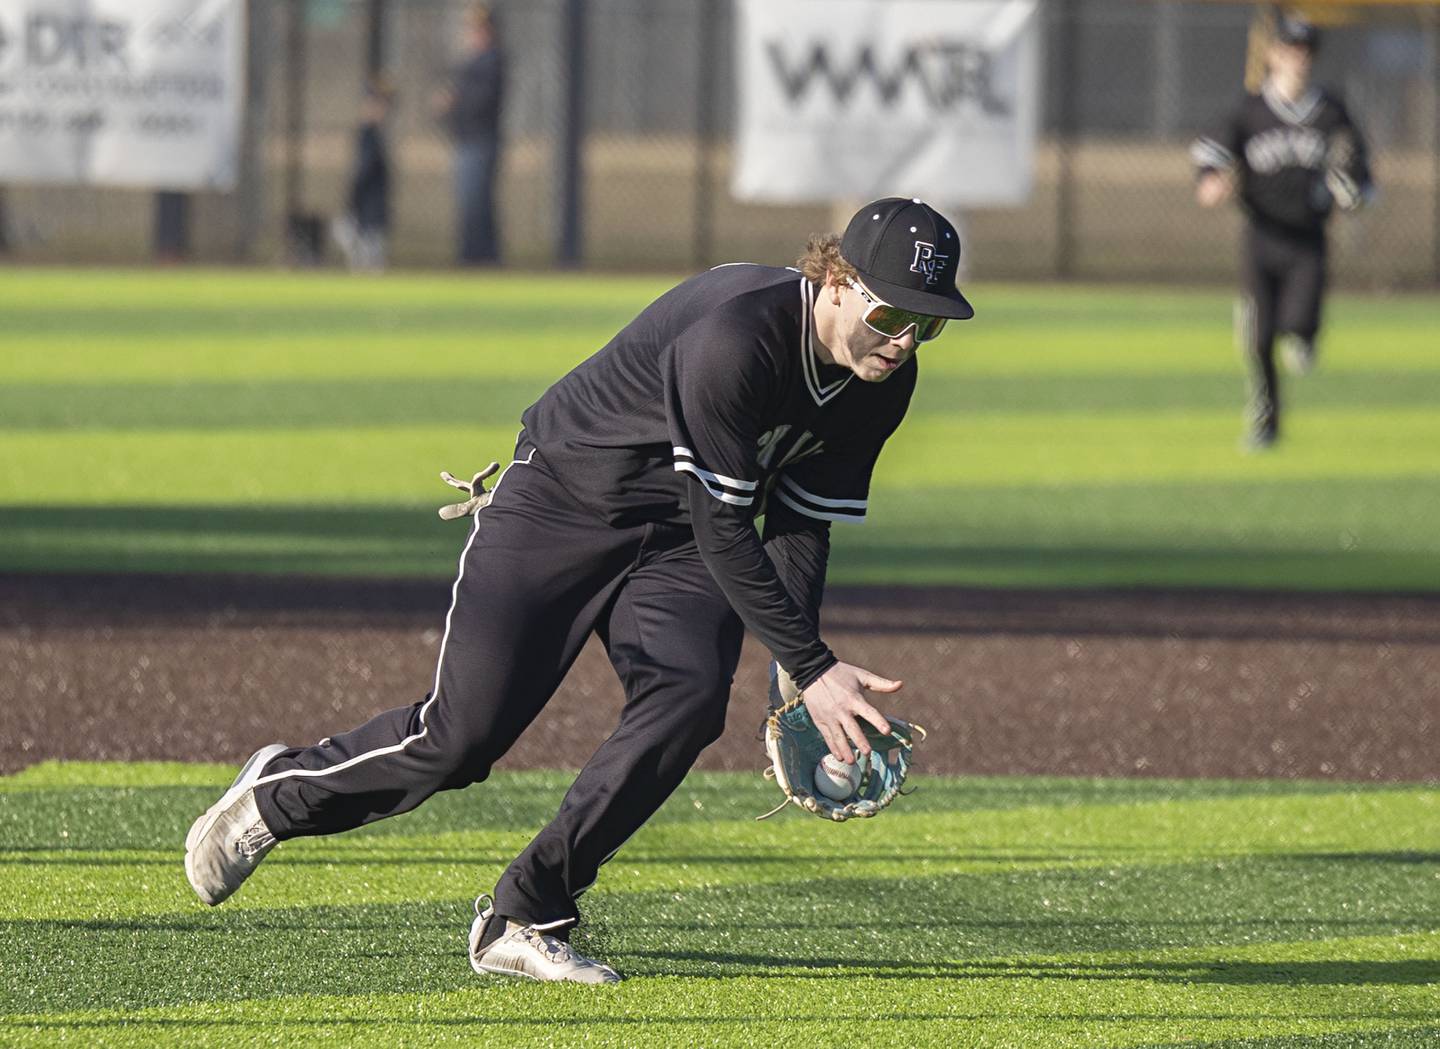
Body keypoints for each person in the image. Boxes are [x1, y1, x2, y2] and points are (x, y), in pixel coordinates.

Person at [183, 197, 975, 984]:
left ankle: (526, 909)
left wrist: (794, 679)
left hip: (678, 540)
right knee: (461, 738)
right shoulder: (738, 336)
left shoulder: (882, 386)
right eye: (890, 314)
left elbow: (800, 525)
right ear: (835, 279)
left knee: (691, 700)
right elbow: (729, 526)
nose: (904, 340)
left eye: (927, 324)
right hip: (563, 501)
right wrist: (812, 662)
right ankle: (275, 796)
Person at [1190, 10, 1372, 451]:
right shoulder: (1251, 109)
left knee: (1299, 327)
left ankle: (1304, 335)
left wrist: (1353, 193)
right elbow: (1210, 153)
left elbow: (1360, 175)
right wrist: (1211, 180)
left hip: (1308, 238)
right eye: (1290, 49)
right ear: (1273, 54)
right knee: (1260, 339)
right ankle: (1265, 422)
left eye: (1305, 51)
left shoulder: (1329, 110)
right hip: (1261, 235)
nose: (1298, 59)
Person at [434, 5, 504, 265]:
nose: (473, 35)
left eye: (478, 29)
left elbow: (479, 102)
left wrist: (453, 101)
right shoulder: (473, 61)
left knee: (476, 202)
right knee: (471, 202)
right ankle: (475, 257)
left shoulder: (491, 61)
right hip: (468, 140)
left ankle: (479, 258)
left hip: (480, 140)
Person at [332, 77, 394, 272]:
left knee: (370, 253)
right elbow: (363, 171)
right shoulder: (368, 135)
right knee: (367, 254)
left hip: (371, 206)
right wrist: (352, 200)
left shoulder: (374, 133)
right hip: (367, 207)